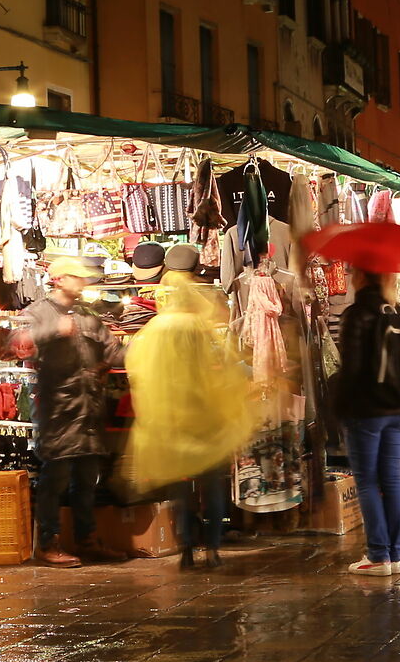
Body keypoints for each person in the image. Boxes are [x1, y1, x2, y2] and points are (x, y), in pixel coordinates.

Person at [121, 243, 255, 570]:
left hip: (171, 424)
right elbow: (223, 365)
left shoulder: (153, 330)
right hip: (205, 420)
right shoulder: (199, 328)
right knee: (211, 484)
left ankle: (184, 549)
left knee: (182, 488)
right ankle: (212, 548)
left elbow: (136, 370)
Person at [333, 268, 400, 575]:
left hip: (367, 410)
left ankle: (377, 555)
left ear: (361, 277)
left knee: (368, 482)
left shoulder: (357, 314)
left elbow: (351, 370)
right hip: (398, 408)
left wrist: (338, 407)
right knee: (390, 479)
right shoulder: (397, 312)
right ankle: (395, 554)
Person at [32, 255, 120, 567]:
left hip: (89, 411)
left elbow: (112, 348)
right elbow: (16, 341)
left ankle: (87, 539)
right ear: (58, 279)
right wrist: (53, 331)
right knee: (54, 479)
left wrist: (110, 361)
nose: (82, 282)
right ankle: (48, 542)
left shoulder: (88, 314)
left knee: (87, 480)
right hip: (59, 413)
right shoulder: (38, 312)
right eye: (76, 277)